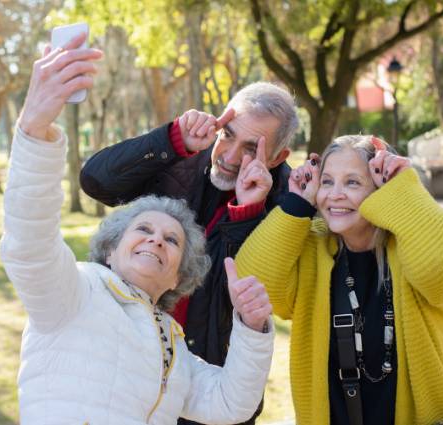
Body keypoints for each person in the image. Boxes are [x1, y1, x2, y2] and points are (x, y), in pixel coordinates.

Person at [0, 33, 275, 424]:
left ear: (181, 275)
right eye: (143, 229)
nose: (155, 240)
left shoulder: (174, 348)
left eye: (171, 240)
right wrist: (34, 128)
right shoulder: (75, 294)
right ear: (110, 249)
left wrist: (252, 327)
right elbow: (28, 243)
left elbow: (231, 403)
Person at [80, 63, 298, 424]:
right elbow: (95, 181)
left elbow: (245, 290)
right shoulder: (182, 157)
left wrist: (247, 212)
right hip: (131, 362)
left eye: (249, 149)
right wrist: (171, 140)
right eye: (226, 135)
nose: (228, 156)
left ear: (276, 158)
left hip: (209, 384)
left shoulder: (286, 204)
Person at [234, 135, 443, 425]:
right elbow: (254, 283)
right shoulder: (312, 248)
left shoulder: (411, 246)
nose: (335, 194)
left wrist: (403, 188)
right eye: (327, 182)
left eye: (352, 182)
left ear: (380, 189)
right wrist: (297, 203)